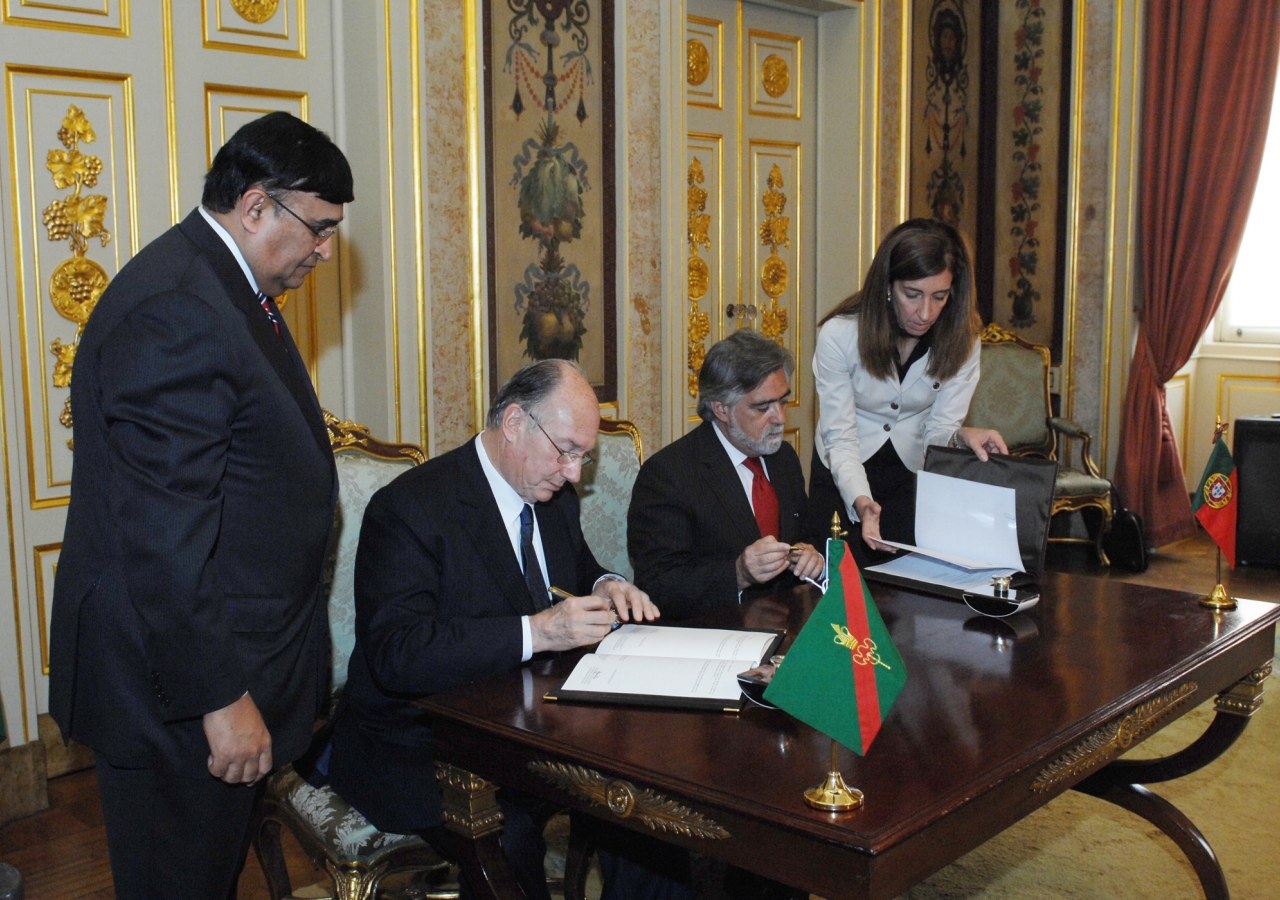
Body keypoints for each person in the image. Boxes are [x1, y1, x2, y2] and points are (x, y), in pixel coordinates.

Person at [47, 112, 353, 899]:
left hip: (203, 674)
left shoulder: (220, 283)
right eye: (318, 228)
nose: (325, 250)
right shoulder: (178, 306)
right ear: (256, 207)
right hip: (176, 695)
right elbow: (161, 539)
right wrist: (219, 699)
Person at [323, 359, 665, 900]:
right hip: (419, 740)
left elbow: (577, 569)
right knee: (509, 839)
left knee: (651, 812)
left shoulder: (552, 496)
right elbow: (398, 654)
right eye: (566, 450)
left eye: (584, 456)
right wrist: (539, 631)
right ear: (513, 423)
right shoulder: (411, 508)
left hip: (534, 723)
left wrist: (605, 584)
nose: (575, 472)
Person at [807, 218, 1007, 560]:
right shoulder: (839, 336)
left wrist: (961, 437)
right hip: (842, 470)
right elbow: (840, 439)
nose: (925, 312)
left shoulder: (964, 342)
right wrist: (862, 501)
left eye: (939, 296)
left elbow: (939, 429)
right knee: (837, 595)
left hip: (910, 475)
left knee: (900, 596)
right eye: (912, 295)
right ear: (888, 284)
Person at [629, 329, 824, 619]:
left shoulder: (783, 459)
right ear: (721, 409)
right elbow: (657, 587)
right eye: (763, 407)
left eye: (783, 401)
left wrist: (812, 557)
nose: (780, 418)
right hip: (714, 631)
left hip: (788, 622)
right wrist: (738, 574)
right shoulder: (668, 475)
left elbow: (806, 535)